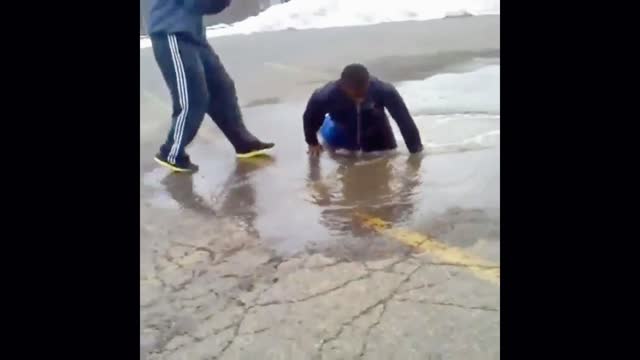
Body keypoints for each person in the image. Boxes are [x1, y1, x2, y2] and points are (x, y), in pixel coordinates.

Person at [148, 0, 274, 173]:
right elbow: (197, 4)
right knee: (193, 97)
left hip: (194, 37)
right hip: (171, 33)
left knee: (222, 89)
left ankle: (243, 142)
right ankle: (172, 152)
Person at [303, 64, 423, 156]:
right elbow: (310, 118)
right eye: (355, 94)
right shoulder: (325, 95)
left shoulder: (384, 90)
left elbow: (404, 121)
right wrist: (312, 142)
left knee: (387, 157)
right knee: (344, 166)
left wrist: (416, 152)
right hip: (342, 130)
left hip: (377, 130)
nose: (360, 99)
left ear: (368, 83)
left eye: (363, 93)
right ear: (342, 86)